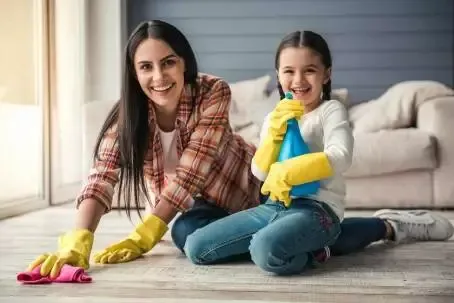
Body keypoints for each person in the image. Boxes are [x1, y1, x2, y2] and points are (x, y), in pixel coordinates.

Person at [26, 22, 453, 279]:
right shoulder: (128, 116)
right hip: (200, 209)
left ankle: (380, 227)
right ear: (133, 72)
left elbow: (193, 168)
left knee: (287, 236)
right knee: (185, 236)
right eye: (145, 67)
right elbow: (102, 174)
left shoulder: (213, 91)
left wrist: (145, 230)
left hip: (253, 196)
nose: (158, 76)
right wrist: (79, 238)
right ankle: (281, 243)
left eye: (169, 62)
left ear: (185, 62)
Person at [174, 30, 454, 275]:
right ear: (278, 74)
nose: (298, 79)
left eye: (309, 70)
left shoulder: (330, 111)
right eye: (288, 71)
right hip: (273, 207)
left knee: (265, 250)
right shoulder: (275, 116)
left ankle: (365, 232)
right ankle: (310, 245)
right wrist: (273, 133)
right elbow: (259, 171)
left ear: (326, 74)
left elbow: (341, 155)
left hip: (318, 211)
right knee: (196, 248)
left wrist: (289, 171)